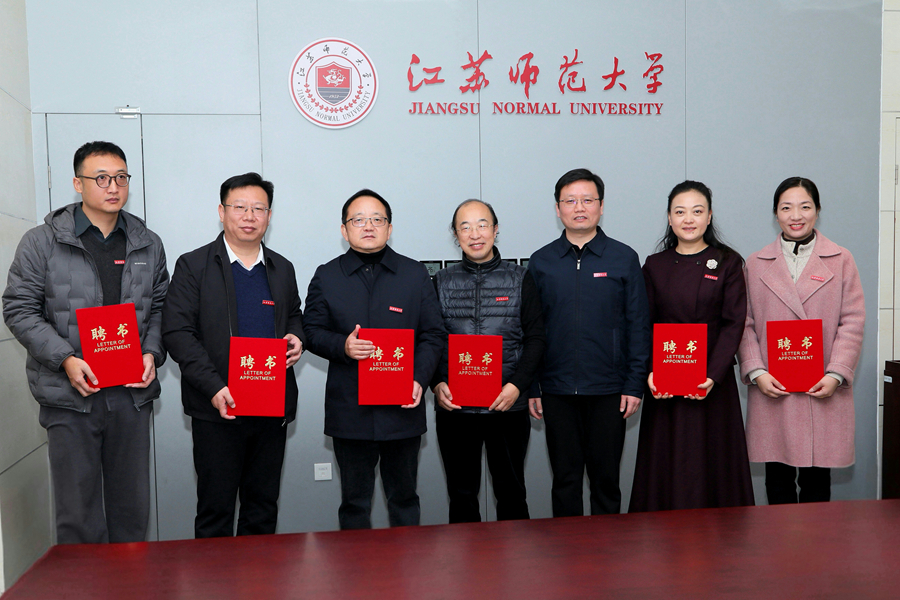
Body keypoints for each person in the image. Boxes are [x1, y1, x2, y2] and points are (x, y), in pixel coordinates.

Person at [2, 141, 168, 544]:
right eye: (102, 178)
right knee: (78, 516)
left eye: (121, 177)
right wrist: (65, 359)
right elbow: (19, 308)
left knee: (131, 513)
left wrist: (151, 352)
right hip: (69, 395)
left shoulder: (147, 242)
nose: (113, 187)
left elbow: (162, 307)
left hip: (130, 395)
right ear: (78, 183)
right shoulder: (42, 241)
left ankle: (130, 579)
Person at [161, 172, 305, 538]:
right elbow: (178, 333)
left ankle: (259, 575)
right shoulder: (193, 265)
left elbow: (293, 314)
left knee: (262, 509)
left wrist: (297, 337)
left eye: (259, 208)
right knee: (216, 511)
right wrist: (213, 387)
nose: (249, 216)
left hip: (270, 407)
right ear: (222, 212)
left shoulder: (282, 268)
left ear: (269, 216)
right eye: (239, 207)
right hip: (217, 408)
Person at [303, 189, 445, 529]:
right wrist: (343, 346)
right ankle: (355, 565)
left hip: (402, 408)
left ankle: (406, 562)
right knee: (354, 504)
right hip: (350, 410)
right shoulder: (327, 275)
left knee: (405, 500)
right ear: (344, 229)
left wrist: (419, 379)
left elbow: (433, 334)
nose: (368, 226)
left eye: (377, 219)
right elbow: (311, 330)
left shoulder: (414, 274)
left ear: (389, 228)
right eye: (358, 220)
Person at [527, 168, 651, 516]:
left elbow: (638, 326)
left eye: (587, 200)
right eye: (570, 201)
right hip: (556, 390)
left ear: (601, 206)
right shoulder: (541, 262)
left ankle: (608, 550)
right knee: (565, 481)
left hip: (610, 390)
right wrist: (533, 386)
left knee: (606, 481)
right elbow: (532, 331)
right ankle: (566, 549)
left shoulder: (623, 258)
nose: (579, 207)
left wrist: (634, 384)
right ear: (557, 209)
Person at [629, 181, 754, 512]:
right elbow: (644, 324)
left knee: (713, 461)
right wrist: (652, 372)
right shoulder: (654, 265)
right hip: (666, 384)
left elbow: (733, 323)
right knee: (667, 461)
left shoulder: (727, 262)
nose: (689, 219)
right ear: (669, 218)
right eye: (680, 212)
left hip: (712, 384)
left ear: (709, 216)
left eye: (697, 211)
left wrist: (712, 375)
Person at [738, 177, 864, 504]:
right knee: (777, 481)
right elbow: (744, 323)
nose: (796, 215)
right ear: (775, 214)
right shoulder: (755, 263)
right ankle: (778, 541)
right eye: (786, 208)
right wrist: (757, 371)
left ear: (818, 210)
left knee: (817, 483)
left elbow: (852, 321)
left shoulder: (841, 259)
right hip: (773, 388)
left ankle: (816, 542)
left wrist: (836, 373)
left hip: (821, 387)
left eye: (805, 206)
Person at [432, 199, 546, 523]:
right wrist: (436, 383)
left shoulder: (520, 278)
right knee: (461, 496)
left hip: (506, 405)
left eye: (482, 225)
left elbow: (536, 338)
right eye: (465, 227)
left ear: (495, 230)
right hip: (456, 408)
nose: (475, 234)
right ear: (456, 235)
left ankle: (514, 556)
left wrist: (517, 386)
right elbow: (430, 339)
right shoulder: (440, 281)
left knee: (511, 493)